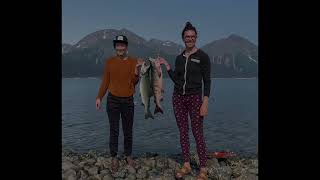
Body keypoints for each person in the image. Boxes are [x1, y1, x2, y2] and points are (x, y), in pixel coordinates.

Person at [159, 22, 211, 180]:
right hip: (178, 98)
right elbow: (176, 79)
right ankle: (187, 164)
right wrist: (167, 67)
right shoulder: (179, 58)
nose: (190, 39)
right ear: (183, 38)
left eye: (192, 37)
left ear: (196, 38)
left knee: (197, 133)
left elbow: (207, 81)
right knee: (183, 132)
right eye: (187, 36)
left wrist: (205, 101)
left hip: (195, 98)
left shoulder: (203, 57)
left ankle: (203, 169)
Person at [95, 35, 143, 172]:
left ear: (126, 47)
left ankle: (128, 155)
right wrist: (99, 97)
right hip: (113, 100)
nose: (120, 47)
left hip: (128, 100)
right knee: (114, 130)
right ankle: (114, 156)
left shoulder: (134, 61)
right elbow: (105, 81)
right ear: (115, 47)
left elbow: (135, 82)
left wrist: (137, 71)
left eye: (122, 45)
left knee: (128, 130)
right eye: (118, 45)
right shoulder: (109, 62)